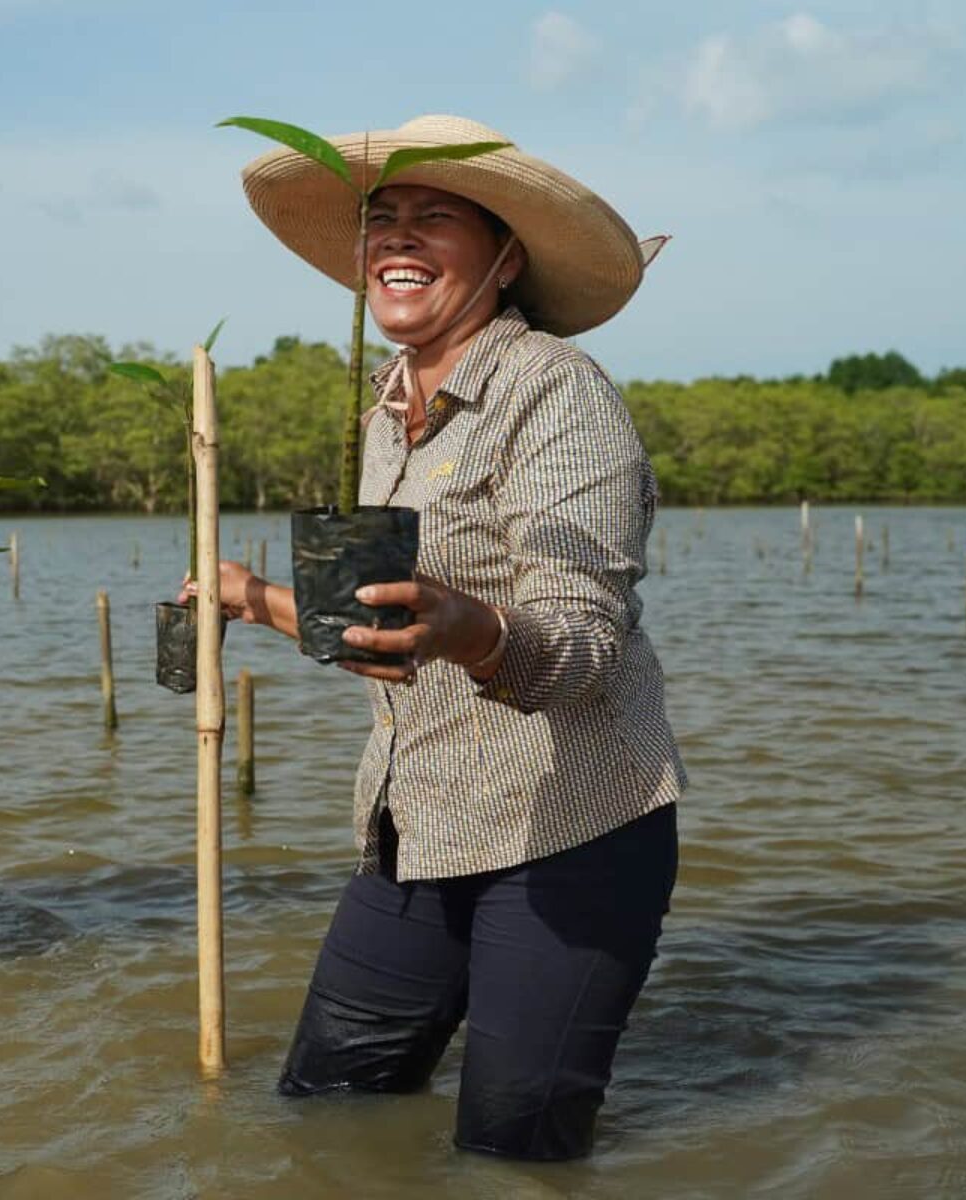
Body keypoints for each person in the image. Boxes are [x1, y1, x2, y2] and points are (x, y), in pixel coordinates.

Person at [214, 115, 685, 1159]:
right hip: (416, 819)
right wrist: (256, 599)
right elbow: (385, 625)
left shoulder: (557, 391)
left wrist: (469, 626)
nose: (399, 239)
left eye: (436, 219)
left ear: (506, 257)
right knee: (326, 1108)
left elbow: (585, 649)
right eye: (383, 220)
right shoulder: (391, 409)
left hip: (568, 828)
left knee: (513, 1150)